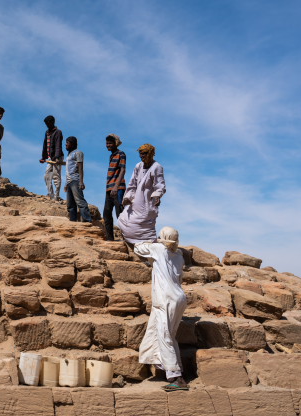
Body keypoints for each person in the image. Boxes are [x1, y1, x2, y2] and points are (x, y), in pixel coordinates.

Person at [135, 227, 188, 391]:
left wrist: (153, 241)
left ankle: (177, 378)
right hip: (179, 297)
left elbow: (138, 247)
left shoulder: (158, 249)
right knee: (168, 335)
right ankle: (174, 368)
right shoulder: (179, 257)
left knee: (165, 336)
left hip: (166, 299)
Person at [117, 143, 166, 244]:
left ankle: (147, 244)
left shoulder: (156, 167)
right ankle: (132, 242)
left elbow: (160, 185)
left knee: (145, 226)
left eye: (144, 153)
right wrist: (127, 197)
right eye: (140, 154)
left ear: (150, 154)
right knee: (124, 220)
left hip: (148, 202)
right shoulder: (138, 166)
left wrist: (157, 196)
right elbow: (132, 184)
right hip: (136, 202)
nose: (141, 156)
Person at [62, 136, 91, 222]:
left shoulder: (78, 153)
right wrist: (65, 184)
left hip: (75, 180)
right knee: (70, 205)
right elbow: (68, 170)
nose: (65, 144)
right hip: (69, 182)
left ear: (72, 144)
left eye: (67, 143)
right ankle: (73, 222)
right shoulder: (69, 155)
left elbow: (80, 167)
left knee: (80, 202)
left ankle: (87, 221)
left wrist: (81, 182)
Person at [103, 134, 126, 241]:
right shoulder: (111, 155)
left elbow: (122, 170)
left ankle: (126, 239)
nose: (108, 145)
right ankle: (110, 239)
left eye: (110, 143)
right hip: (109, 188)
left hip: (118, 188)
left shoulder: (121, 154)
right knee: (106, 214)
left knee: (120, 214)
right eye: (107, 143)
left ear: (115, 143)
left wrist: (116, 186)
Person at [39, 115, 64, 201]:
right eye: (46, 124)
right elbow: (45, 145)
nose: (46, 125)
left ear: (52, 122)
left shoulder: (58, 132)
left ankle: (56, 197)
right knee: (47, 175)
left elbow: (58, 145)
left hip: (57, 157)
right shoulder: (47, 132)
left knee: (56, 176)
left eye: (48, 123)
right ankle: (51, 196)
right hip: (50, 157)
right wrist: (43, 157)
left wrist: (57, 158)